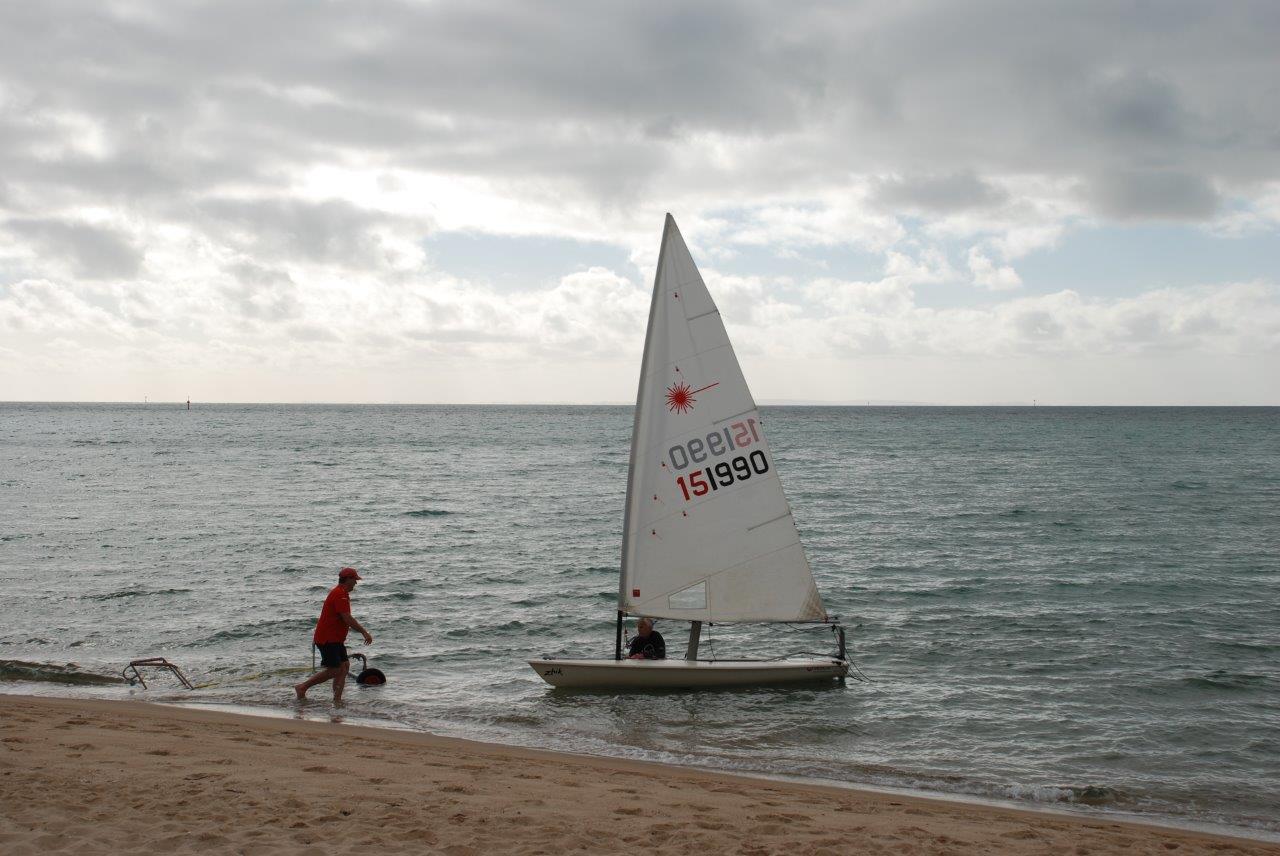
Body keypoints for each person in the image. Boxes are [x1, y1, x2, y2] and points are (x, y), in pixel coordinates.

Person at [294, 567, 373, 702]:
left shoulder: (342, 593)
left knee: (344, 667)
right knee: (335, 670)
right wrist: (364, 632)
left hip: (335, 639)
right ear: (348, 579)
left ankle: (337, 699)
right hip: (327, 639)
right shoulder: (339, 594)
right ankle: (302, 687)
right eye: (355, 580)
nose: (356, 583)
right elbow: (347, 618)